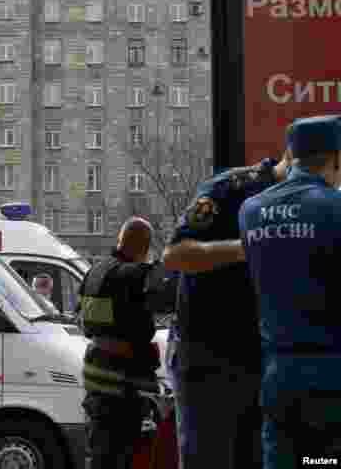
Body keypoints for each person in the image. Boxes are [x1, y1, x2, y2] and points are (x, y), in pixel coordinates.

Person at [162, 142, 291, 469]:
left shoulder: (308, 206)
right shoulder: (229, 189)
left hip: (261, 360)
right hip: (208, 356)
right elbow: (175, 255)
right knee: (208, 458)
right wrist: (247, 248)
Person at [238, 115, 341, 466]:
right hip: (330, 376)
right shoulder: (334, 206)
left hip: (277, 375)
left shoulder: (251, 210)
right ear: (336, 157)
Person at [79, 217, 170, 469]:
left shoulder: (95, 271)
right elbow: (168, 287)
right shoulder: (134, 274)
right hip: (121, 385)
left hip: (96, 376)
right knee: (123, 455)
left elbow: (84, 322)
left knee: (100, 454)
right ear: (144, 246)